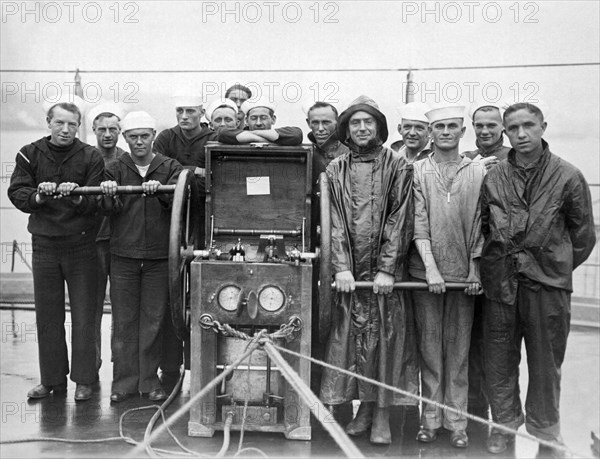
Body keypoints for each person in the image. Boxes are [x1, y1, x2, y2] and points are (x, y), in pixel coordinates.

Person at [481, 102, 596, 455]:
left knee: (546, 364)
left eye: (528, 126)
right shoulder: (495, 175)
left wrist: (551, 266)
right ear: (505, 132)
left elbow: (583, 237)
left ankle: (546, 432)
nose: (520, 134)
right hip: (501, 285)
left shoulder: (568, 175)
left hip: (547, 288)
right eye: (512, 128)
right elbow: (485, 227)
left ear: (543, 126)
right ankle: (503, 427)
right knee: (499, 361)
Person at [319, 95, 419, 445]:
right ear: (346, 129)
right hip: (350, 275)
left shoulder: (398, 166)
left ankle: (382, 416)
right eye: (355, 123)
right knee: (350, 342)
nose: (362, 128)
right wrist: (342, 267)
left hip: (384, 274)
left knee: (387, 343)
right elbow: (333, 222)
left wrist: (389, 269)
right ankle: (360, 410)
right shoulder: (335, 169)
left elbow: (401, 217)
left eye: (369, 122)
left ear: (379, 126)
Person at [8, 101, 104, 401]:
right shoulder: (29, 153)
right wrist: (39, 195)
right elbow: (17, 192)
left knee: (85, 315)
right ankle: (52, 381)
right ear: (48, 122)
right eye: (59, 123)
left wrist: (76, 196)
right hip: (45, 246)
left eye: (72, 124)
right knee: (48, 316)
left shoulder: (91, 156)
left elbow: (98, 199)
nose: (65, 130)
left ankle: (85, 379)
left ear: (78, 126)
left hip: (82, 245)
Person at [409, 105, 485, 448]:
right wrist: (431, 269)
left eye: (452, 126)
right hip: (427, 277)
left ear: (462, 131)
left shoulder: (478, 171)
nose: (445, 132)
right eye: (438, 126)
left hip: (464, 280)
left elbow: (482, 224)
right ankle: (430, 421)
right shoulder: (417, 170)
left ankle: (457, 423)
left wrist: (474, 269)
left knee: (458, 353)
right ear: (430, 131)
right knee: (429, 350)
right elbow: (418, 222)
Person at [100, 111, 183, 403]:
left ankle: (149, 381)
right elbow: (107, 208)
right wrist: (109, 193)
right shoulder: (115, 168)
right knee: (124, 320)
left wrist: (161, 192)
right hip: (123, 255)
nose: (139, 142)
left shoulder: (169, 167)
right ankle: (123, 383)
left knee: (153, 319)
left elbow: (179, 202)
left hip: (160, 257)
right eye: (133, 137)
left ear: (152, 136)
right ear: (125, 138)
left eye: (144, 136)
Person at [153, 94, 212, 389]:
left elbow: (210, 177)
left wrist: (186, 174)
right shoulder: (165, 137)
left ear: (202, 112)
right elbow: (161, 169)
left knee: (204, 292)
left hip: (206, 217)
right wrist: (192, 173)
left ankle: (204, 363)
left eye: (190, 111)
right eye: (180, 110)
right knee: (170, 294)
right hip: (173, 220)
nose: (184, 116)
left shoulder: (212, 136)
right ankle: (169, 364)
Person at [461, 101, 511, 418]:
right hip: (469, 264)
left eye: (492, 125)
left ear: (502, 127)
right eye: (480, 125)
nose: (485, 130)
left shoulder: (513, 159)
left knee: (499, 346)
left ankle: (501, 416)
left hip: (503, 267)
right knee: (469, 341)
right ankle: (474, 413)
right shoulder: (467, 159)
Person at [90, 108, 126, 376]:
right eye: (102, 129)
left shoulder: (127, 160)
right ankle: (90, 365)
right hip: (91, 241)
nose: (107, 134)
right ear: (94, 130)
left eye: (112, 129)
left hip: (122, 240)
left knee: (123, 305)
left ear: (120, 131)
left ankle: (121, 365)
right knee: (90, 304)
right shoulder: (85, 158)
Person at [216, 99, 303, 145]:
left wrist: (252, 134)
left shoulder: (281, 134)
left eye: (263, 118)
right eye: (253, 118)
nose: (258, 123)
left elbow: (297, 134)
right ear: (246, 121)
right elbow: (222, 133)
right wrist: (266, 140)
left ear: (273, 119)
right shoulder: (235, 133)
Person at [463, 101, 510, 169]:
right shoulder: (466, 158)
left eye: (491, 125)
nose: (484, 131)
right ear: (473, 126)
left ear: (503, 125)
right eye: (479, 126)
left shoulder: (515, 158)